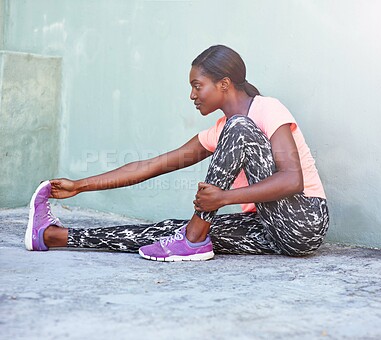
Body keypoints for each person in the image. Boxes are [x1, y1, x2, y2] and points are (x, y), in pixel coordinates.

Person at [25, 45, 329, 262]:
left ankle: (194, 237)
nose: (192, 95)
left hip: (304, 222)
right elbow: (153, 165)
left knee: (238, 128)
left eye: (198, 86)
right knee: (170, 231)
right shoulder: (220, 130)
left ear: (224, 84)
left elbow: (293, 181)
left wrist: (223, 199)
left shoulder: (266, 109)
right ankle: (52, 236)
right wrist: (80, 185)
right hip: (266, 229)